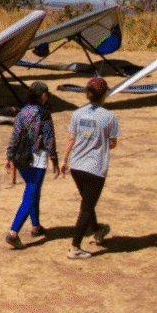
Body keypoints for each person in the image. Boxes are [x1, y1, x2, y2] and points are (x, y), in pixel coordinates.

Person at [60, 77, 121, 260]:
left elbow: (72, 138)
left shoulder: (78, 113)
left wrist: (64, 160)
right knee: (86, 207)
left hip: (77, 165)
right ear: (104, 94)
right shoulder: (109, 116)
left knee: (88, 202)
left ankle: (97, 230)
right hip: (95, 168)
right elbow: (113, 143)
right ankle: (74, 247)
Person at [3, 81, 61, 250]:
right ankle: (13, 232)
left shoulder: (22, 112)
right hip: (37, 158)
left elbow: (14, 135)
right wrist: (55, 160)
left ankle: (35, 226)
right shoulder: (44, 114)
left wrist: (9, 156)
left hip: (20, 158)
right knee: (31, 192)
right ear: (43, 95)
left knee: (33, 190)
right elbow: (49, 139)